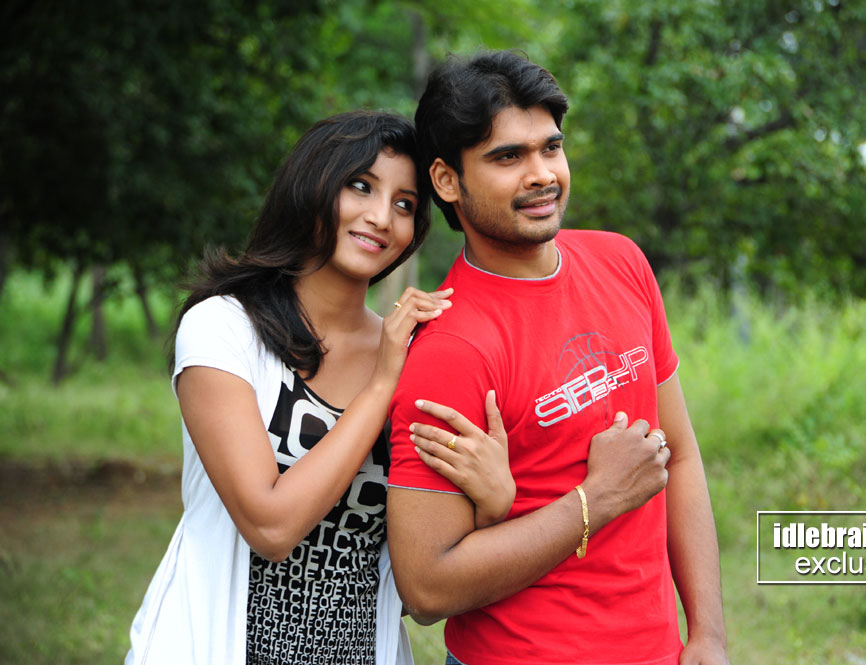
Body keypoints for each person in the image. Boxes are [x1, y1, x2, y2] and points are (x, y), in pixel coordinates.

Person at [125, 111, 517, 665]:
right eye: (360, 186)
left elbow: (419, 592)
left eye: (405, 204)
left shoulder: (414, 354)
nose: (381, 217)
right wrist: (381, 385)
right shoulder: (223, 328)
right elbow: (271, 525)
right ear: (312, 184)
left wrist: (493, 504)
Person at [386, 51, 729, 665]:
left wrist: (706, 632)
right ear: (446, 180)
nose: (541, 174)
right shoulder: (450, 349)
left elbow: (679, 454)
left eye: (551, 148)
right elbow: (427, 586)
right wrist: (597, 499)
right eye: (507, 157)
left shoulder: (622, 263)